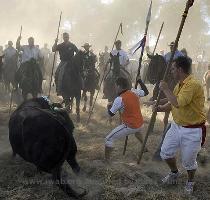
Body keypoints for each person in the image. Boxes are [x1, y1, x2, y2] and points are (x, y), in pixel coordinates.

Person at [156, 56, 206, 194]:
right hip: (176, 126)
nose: (171, 71)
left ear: (180, 69)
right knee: (165, 152)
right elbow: (172, 104)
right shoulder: (180, 84)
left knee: (188, 162)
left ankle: (190, 181)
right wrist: (158, 107)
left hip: (192, 129)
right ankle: (174, 173)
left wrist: (165, 88)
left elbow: (177, 102)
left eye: (173, 69)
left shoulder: (193, 84)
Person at [105, 76, 149, 161]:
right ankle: (145, 147)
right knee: (137, 132)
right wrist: (140, 81)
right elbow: (146, 92)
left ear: (119, 86)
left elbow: (110, 114)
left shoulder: (119, 99)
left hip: (130, 126)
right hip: (139, 123)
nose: (115, 88)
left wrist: (108, 106)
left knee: (108, 139)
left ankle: (107, 161)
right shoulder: (134, 91)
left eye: (115, 86)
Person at [52, 32, 79, 109]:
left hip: (71, 62)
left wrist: (76, 58)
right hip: (63, 62)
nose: (66, 38)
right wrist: (55, 42)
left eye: (67, 37)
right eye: (65, 37)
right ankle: (59, 89)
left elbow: (77, 52)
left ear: (69, 37)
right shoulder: (60, 45)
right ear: (63, 38)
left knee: (78, 72)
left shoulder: (72, 45)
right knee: (57, 73)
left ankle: (80, 86)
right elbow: (53, 49)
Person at [15, 36, 43, 100]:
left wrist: (39, 61)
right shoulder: (24, 47)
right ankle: (16, 86)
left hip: (34, 64)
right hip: (25, 64)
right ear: (28, 42)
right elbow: (17, 47)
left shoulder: (37, 49)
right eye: (30, 41)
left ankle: (39, 87)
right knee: (17, 73)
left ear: (33, 41)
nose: (31, 42)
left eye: (32, 41)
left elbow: (41, 57)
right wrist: (18, 40)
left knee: (40, 74)